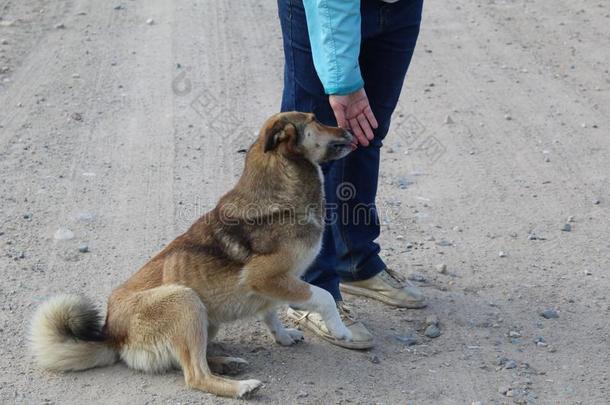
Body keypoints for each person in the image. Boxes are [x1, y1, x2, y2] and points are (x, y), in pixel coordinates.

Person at [278, 0, 426, 349]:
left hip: (399, 8)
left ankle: (354, 260)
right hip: (324, 7)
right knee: (310, 148)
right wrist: (340, 76)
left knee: (365, 133)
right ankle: (306, 289)